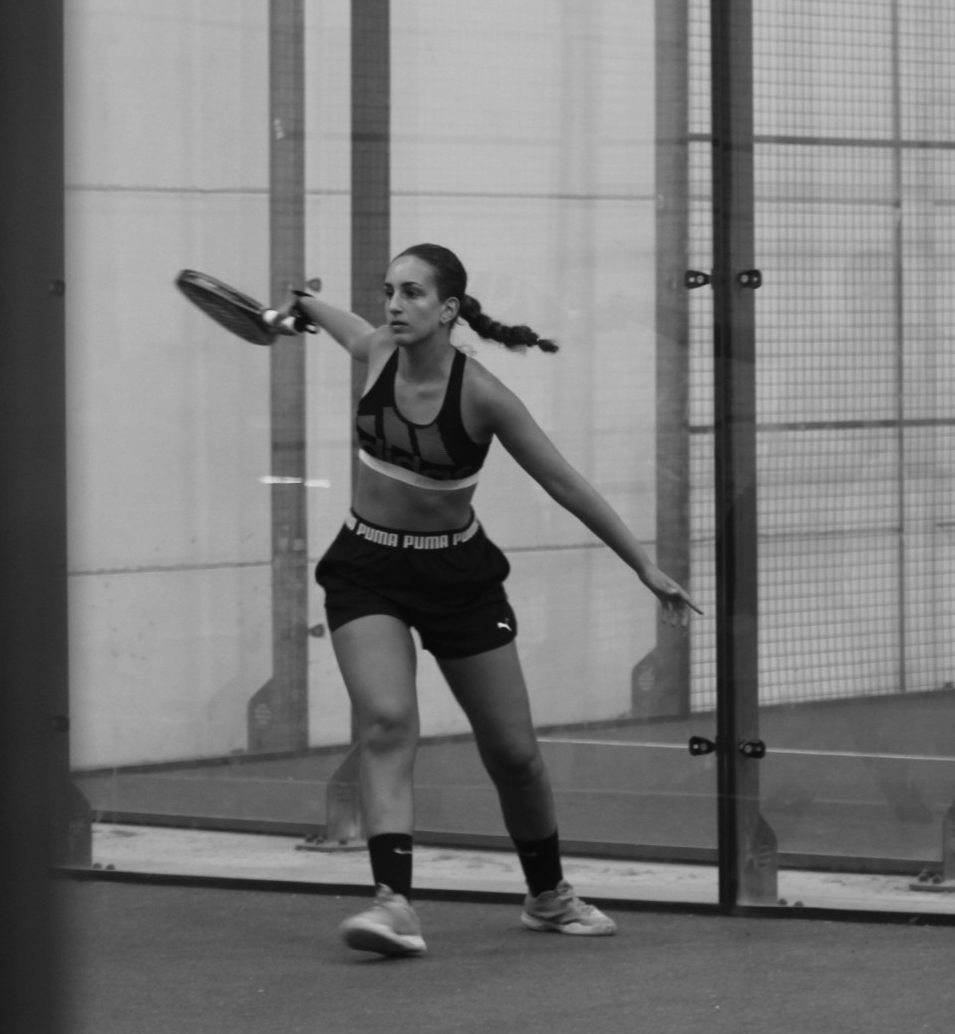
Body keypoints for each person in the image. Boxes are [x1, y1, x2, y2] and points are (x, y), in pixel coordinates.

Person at [288, 244, 700, 958]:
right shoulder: (379, 350)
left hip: (458, 578)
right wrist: (302, 304)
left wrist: (644, 566)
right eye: (389, 291)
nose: (394, 306)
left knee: (514, 755)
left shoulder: (483, 394)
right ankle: (393, 904)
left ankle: (547, 895)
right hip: (365, 567)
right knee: (387, 724)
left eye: (413, 293)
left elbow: (564, 482)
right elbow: (345, 326)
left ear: (448, 309)